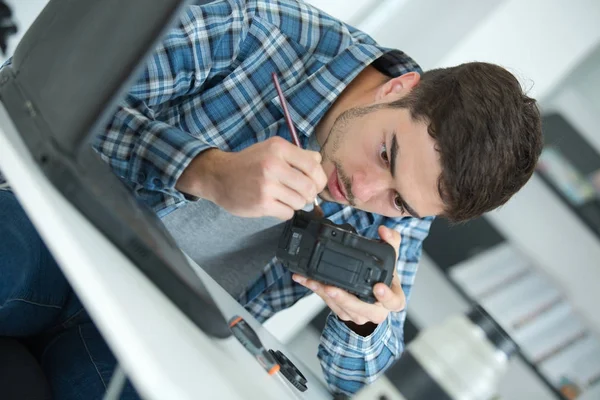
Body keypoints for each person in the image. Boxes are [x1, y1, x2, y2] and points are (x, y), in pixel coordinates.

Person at [0, 0, 543, 398]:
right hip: (68, 228)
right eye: (383, 155)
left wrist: (364, 323)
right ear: (398, 89)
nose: (364, 193)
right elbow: (40, 98)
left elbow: (351, 376)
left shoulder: (409, 200)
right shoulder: (254, 29)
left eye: (400, 202)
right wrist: (203, 170)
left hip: (166, 323)